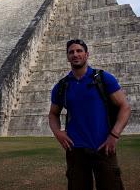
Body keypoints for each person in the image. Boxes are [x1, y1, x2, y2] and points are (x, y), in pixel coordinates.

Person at [49, 39, 131, 190]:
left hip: (104, 147)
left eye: (79, 51)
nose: (75, 54)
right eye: (71, 52)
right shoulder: (62, 86)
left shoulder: (103, 78)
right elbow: (53, 114)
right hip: (76, 150)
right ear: (67, 57)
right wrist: (57, 132)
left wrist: (114, 135)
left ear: (87, 54)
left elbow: (125, 107)